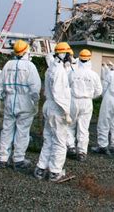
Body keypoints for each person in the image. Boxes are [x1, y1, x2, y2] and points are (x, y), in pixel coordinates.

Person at [0, 40, 41, 169]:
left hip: (10, 101)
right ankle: (18, 159)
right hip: (25, 102)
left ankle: (2, 159)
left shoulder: (8, 65)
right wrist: (35, 101)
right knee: (22, 131)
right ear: (26, 51)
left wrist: (2, 96)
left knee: (6, 130)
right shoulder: (30, 66)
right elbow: (35, 87)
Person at [34, 42, 74, 183]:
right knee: (60, 141)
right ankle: (55, 172)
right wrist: (66, 112)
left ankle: (41, 168)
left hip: (49, 106)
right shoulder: (59, 71)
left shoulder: (51, 68)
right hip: (58, 108)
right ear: (64, 54)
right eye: (68, 54)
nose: (70, 57)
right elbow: (59, 94)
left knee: (49, 138)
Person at [67, 49, 102, 162]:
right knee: (83, 127)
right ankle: (82, 152)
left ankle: (71, 146)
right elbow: (99, 91)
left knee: (70, 125)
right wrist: (90, 97)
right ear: (89, 59)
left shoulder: (72, 73)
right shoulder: (94, 75)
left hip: (73, 100)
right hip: (87, 102)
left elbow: (66, 87)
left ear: (79, 59)